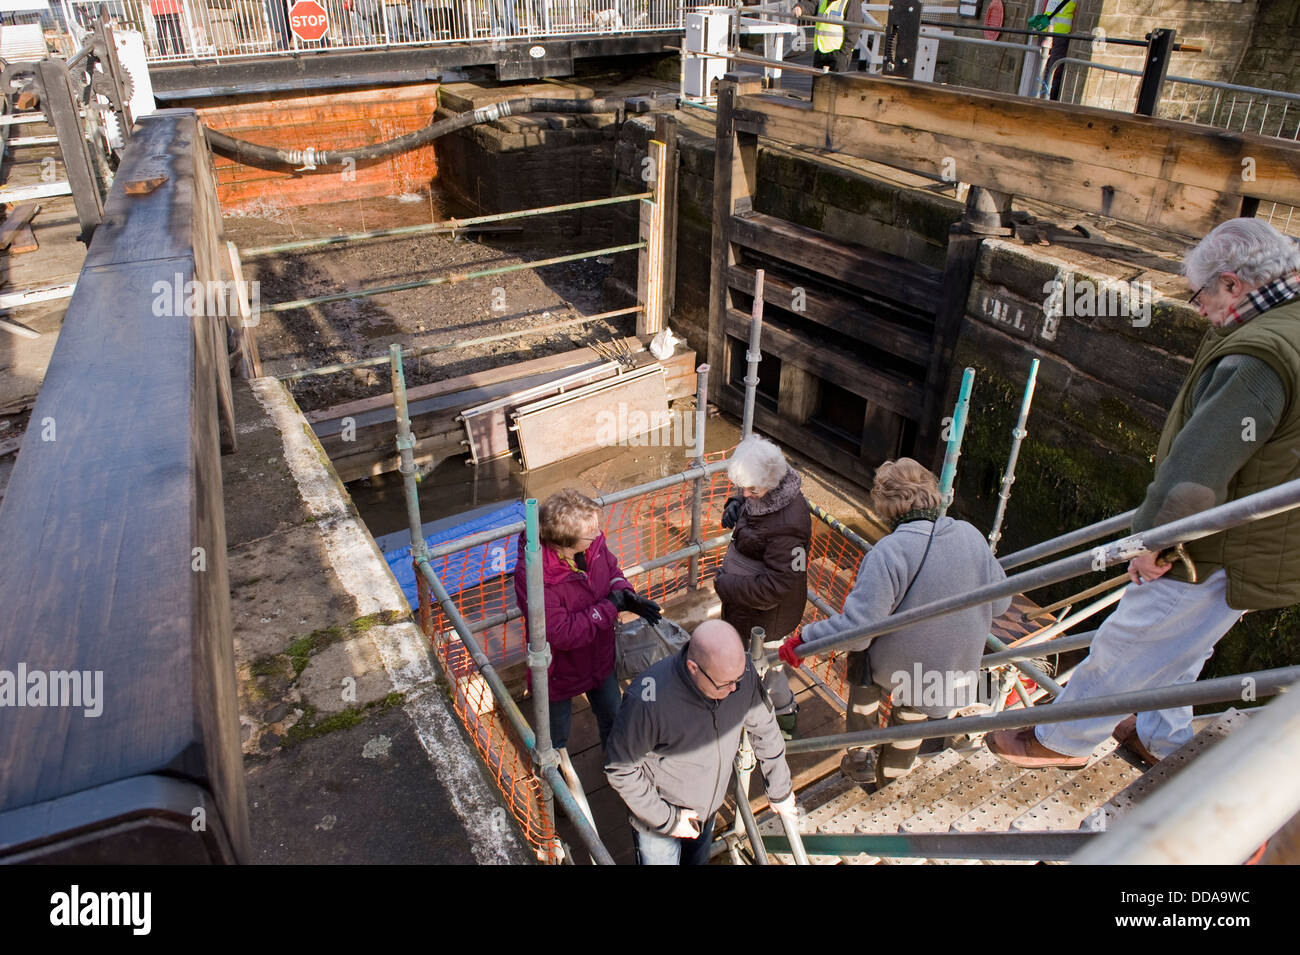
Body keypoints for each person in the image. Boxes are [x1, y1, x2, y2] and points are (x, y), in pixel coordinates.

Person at [988, 218, 1300, 770]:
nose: (1197, 307)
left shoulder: (1259, 357)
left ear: (1232, 283)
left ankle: (1062, 742)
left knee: (1131, 640)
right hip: (1266, 539)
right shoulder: (1288, 320)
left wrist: (1153, 541)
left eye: (1199, 294)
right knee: (1186, 644)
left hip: (1218, 545)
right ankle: (1160, 735)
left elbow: (1198, 470)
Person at [780, 459, 1010, 788]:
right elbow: (1001, 604)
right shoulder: (969, 535)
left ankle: (860, 756)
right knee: (910, 717)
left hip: (900, 664)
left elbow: (858, 630)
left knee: (862, 659)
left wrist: (805, 638)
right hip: (950, 671)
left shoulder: (889, 552)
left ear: (886, 505)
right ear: (932, 492)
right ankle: (892, 783)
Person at [604, 619, 797, 865]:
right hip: (659, 824)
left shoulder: (738, 674)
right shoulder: (647, 701)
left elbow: (765, 727)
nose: (734, 689)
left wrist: (779, 790)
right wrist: (668, 819)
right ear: (693, 667)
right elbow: (620, 768)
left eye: (738, 679)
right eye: (724, 684)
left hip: (708, 811)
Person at [513, 488, 661, 753]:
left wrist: (626, 593)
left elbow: (612, 569)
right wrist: (610, 607)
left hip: (600, 656)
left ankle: (616, 767)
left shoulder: (593, 544)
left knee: (614, 718)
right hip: (559, 670)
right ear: (565, 541)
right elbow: (561, 633)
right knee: (555, 740)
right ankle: (555, 785)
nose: (597, 534)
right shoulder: (534, 575)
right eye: (590, 531)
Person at [711, 434, 810, 738]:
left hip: (767, 617)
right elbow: (750, 501)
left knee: (767, 668)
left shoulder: (789, 526)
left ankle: (783, 716)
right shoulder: (765, 492)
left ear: (769, 481)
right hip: (746, 608)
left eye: (750, 489)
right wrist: (735, 504)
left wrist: (726, 586)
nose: (745, 492)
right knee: (750, 664)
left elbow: (776, 587)